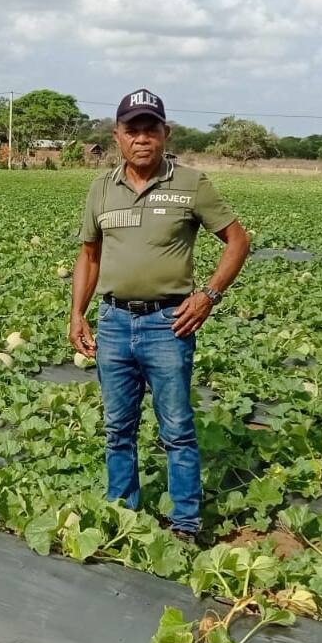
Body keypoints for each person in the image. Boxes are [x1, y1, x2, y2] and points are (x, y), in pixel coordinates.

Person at [68, 88, 250, 543]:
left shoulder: (191, 183)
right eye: (133, 130)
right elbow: (89, 255)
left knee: (177, 429)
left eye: (151, 129)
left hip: (168, 324)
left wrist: (208, 295)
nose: (142, 138)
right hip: (113, 323)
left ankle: (185, 524)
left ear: (166, 133)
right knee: (117, 429)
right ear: (117, 136)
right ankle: (121, 512)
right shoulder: (100, 189)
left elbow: (237, 241)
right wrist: (77, 312)